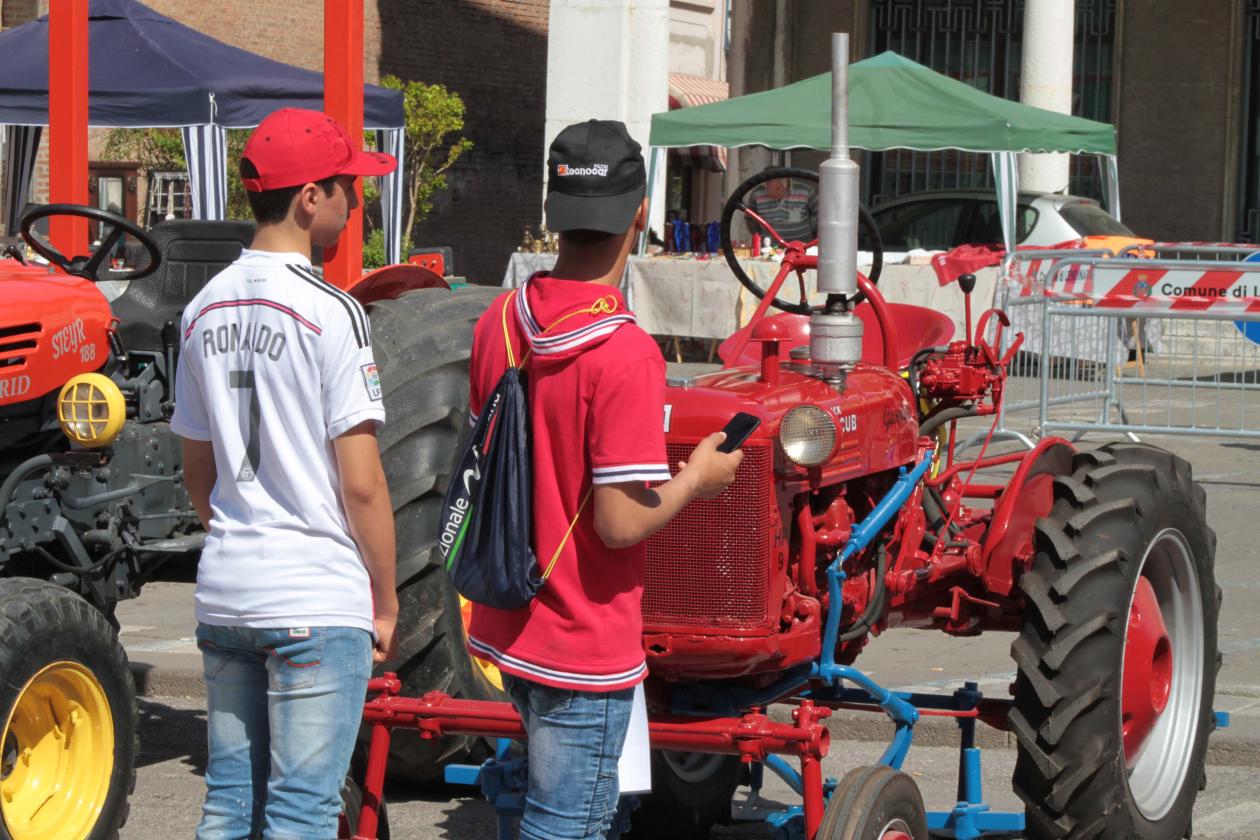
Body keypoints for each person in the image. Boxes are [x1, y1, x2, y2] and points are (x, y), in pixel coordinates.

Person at [465, 119, 746, 840]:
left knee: (527, 810)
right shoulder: (624, 352)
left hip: (509, 622)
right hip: (585, 639)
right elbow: (619, 522)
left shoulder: (499, 321)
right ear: (642, 212)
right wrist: (696, 480)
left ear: (553, 215)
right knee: (571, 826)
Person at [171, 108, 399, 840]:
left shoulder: (201, 308)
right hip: (315, 595)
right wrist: (386, 598)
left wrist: (240, 539)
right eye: (346, 191)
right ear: (309, 198)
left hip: (229, 589)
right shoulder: (331, 311)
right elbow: (361, 483)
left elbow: (198, 469)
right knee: (302, 812)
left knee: (229, 803)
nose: (353, 206)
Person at [747, 174, 820, 244]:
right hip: (769, 248)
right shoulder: (757, 194)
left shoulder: (806, 191)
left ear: (787, 184)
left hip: (802, 246)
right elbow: (749, 217)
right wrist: (757, 236)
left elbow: (822, 216)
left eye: (777, 188)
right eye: (768, 189)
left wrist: (815, 241)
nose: (773, 193)